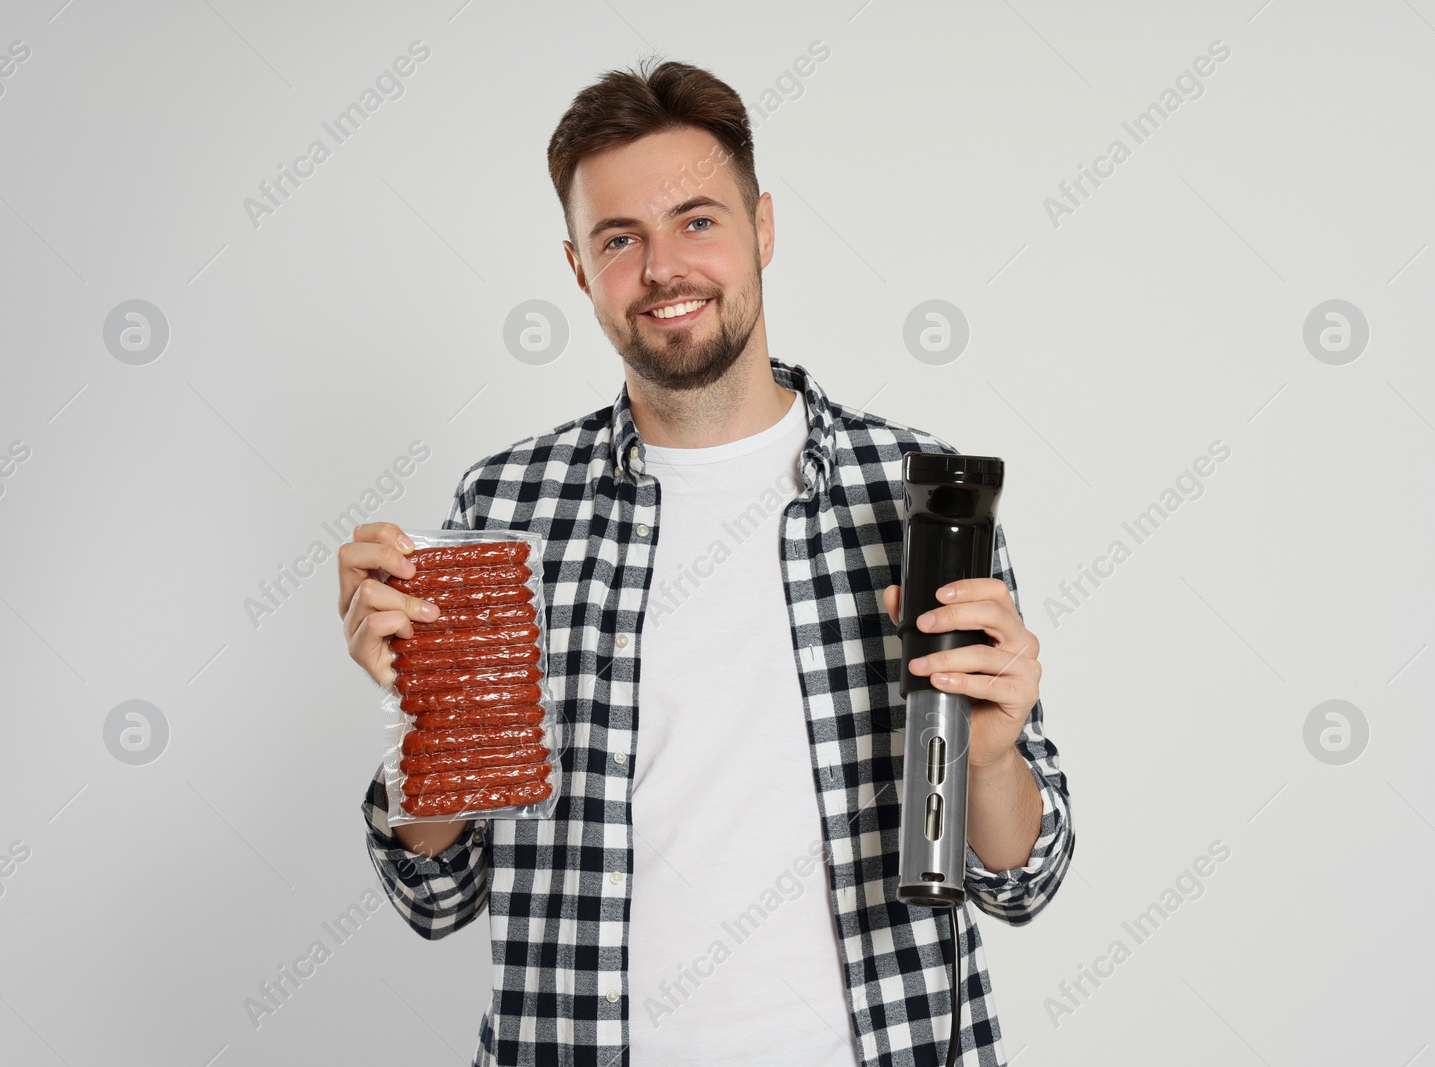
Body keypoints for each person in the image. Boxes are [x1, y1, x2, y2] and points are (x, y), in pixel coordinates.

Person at [339, 57, 1074, 1067]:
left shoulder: (916, 494)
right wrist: (429, 722)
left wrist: (988, 755)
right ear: (577, 269)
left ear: (762, 227)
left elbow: (1019, 877)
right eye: (619, 238)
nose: (663, 269)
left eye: (696, 220)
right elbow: (439, 891)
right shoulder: (505, 508)